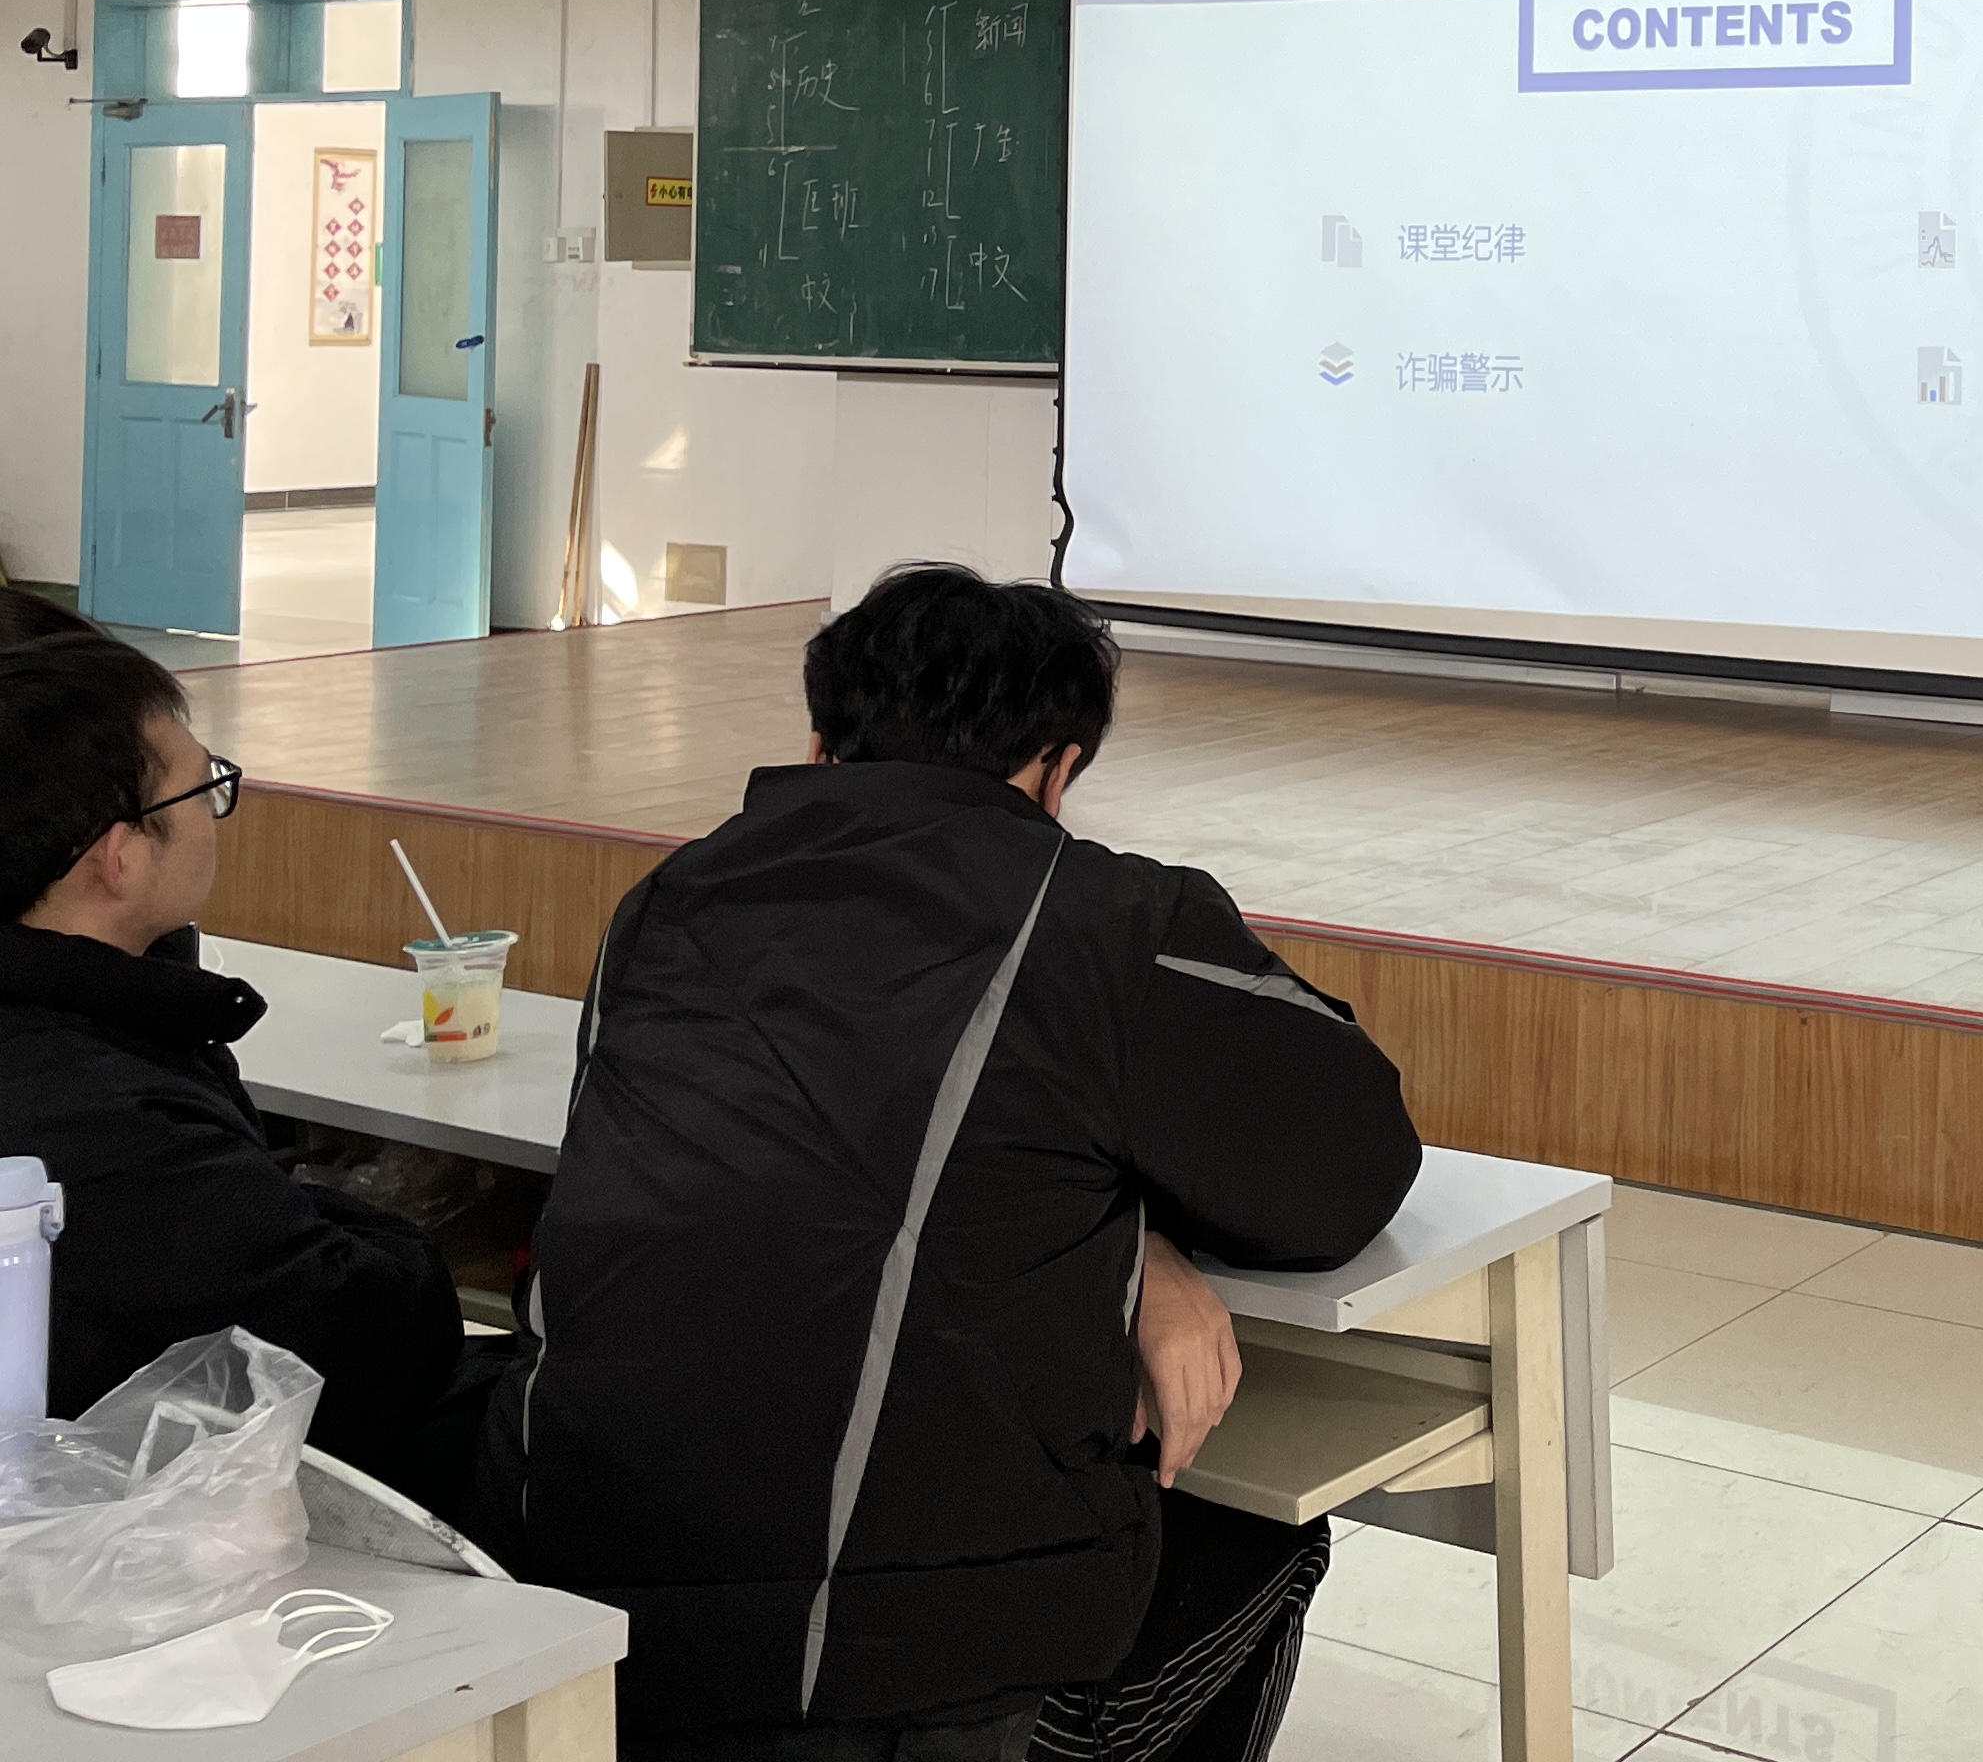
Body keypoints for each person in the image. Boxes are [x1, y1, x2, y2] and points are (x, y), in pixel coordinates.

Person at [484, 566, 1424, 1762]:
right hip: (895, 1658)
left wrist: (1132, 1243)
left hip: (585, 1588)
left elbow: (837, 1153)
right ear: (1058, 769)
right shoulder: (1107, 920)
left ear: (820, 743)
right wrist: (1143, 1238)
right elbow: (1345, 1171)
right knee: (1262, 1541)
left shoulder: (667, 901)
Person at [0, 628, 478, 1500]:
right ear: (117, 856)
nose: (215, 813)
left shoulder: (93, 1044)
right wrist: (352, 1223)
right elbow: (371, 1338)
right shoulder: (111, 1121)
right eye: (204, 788)